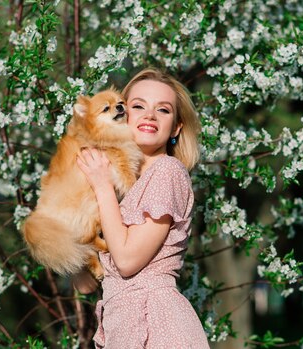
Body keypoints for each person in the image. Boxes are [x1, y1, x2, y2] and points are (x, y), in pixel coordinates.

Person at [74, 68, 209, 348]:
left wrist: (101, 186)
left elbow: (126, 260)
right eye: (138, 106)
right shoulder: (120, 188)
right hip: (121, 324)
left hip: (158, 326)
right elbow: (85, 284)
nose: (150, 115)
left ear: (176, 128)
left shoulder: (167, 172)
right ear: (122, 115)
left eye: (163, 110)